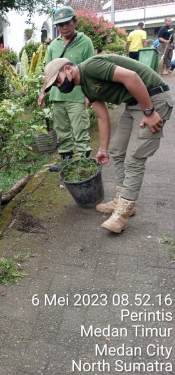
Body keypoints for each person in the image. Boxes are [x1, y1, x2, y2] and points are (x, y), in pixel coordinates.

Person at [43, 55, 173, 233]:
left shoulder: (90, 67)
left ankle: (122, 214)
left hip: (153, 98)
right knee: (117, 151)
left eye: (58, 81)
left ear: (67, 69)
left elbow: (132, 77)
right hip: (133, 104)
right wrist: (102, 149)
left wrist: (149, 112)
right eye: (56, 86)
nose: (59, 86)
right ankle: (121, 200)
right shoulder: (86, 88)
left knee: (134, 158)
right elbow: (103, 117)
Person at [38, 6, 94, 172]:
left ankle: (83, 162)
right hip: (57, 95)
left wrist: (89, 94)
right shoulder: (53, 46)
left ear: (74, 21)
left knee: (80, 129)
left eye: (67, 22)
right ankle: (67, 161)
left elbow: (90, 71)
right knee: (61, 131)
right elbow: (49, 72)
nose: (63, 27)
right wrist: (43, 93)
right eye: (59, 24)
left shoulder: (85, 42)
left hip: (77, 95)